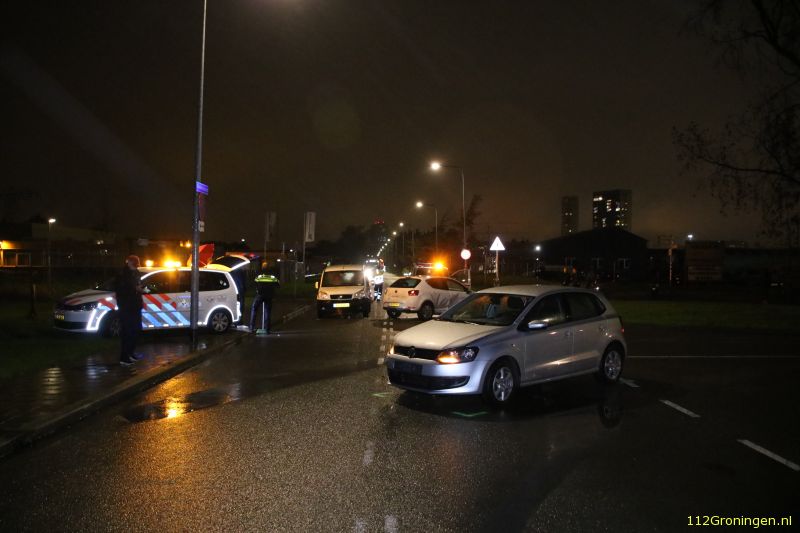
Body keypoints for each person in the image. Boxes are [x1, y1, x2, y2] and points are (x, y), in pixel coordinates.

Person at [115, 255, 144, 365]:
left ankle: (130, 353)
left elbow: (138, 285)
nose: (136, 265)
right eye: (134, 263)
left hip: (135, 306)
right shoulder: (122, 274)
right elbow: (121, 291)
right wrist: (134, 289)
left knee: (136, 330)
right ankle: (124, 357)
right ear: (128, 263)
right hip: (126, 307)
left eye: (137, 263)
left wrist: (139, 289)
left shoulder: (136, 272)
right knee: (127, 331)